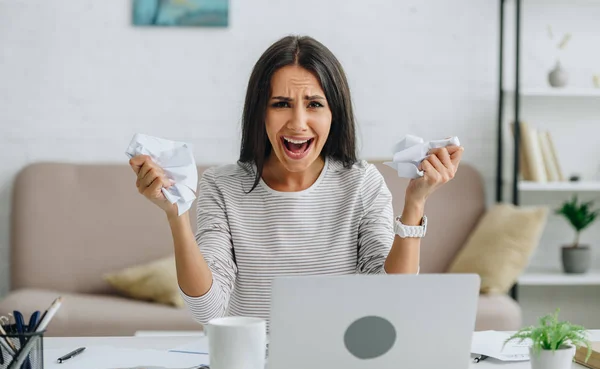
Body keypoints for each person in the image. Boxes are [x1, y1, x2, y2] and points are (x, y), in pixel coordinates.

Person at [129, 35, 464, 325]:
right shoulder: (221, 185)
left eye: (315, 104)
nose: (298, 123)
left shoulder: (361, 184)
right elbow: (208, 309)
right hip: (250, 367)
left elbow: (391, 297)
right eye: (281, 104)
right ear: (260, 112)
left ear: (335, 114)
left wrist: (415, 203)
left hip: (341, 365)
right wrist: (176, 216)